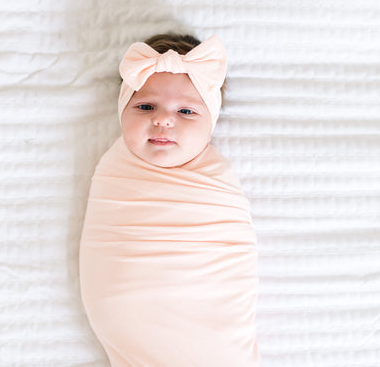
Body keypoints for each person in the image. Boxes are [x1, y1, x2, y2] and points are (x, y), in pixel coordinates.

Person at [79, 33, 261, 366]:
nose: (163, 119)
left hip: (207, 310)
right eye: (145, 106)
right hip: (131, 306)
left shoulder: (217, 180)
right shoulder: (115, 170)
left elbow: (233, 255)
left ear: (211, 122)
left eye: (186, 111)